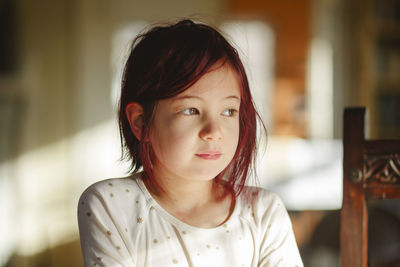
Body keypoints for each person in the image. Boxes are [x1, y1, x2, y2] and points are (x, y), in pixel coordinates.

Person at [78, 19, 303, 267]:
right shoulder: (111, 204)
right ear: (141, 122)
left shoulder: (264, 212)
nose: (213, 131)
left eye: (228, 111)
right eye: (191, 110)